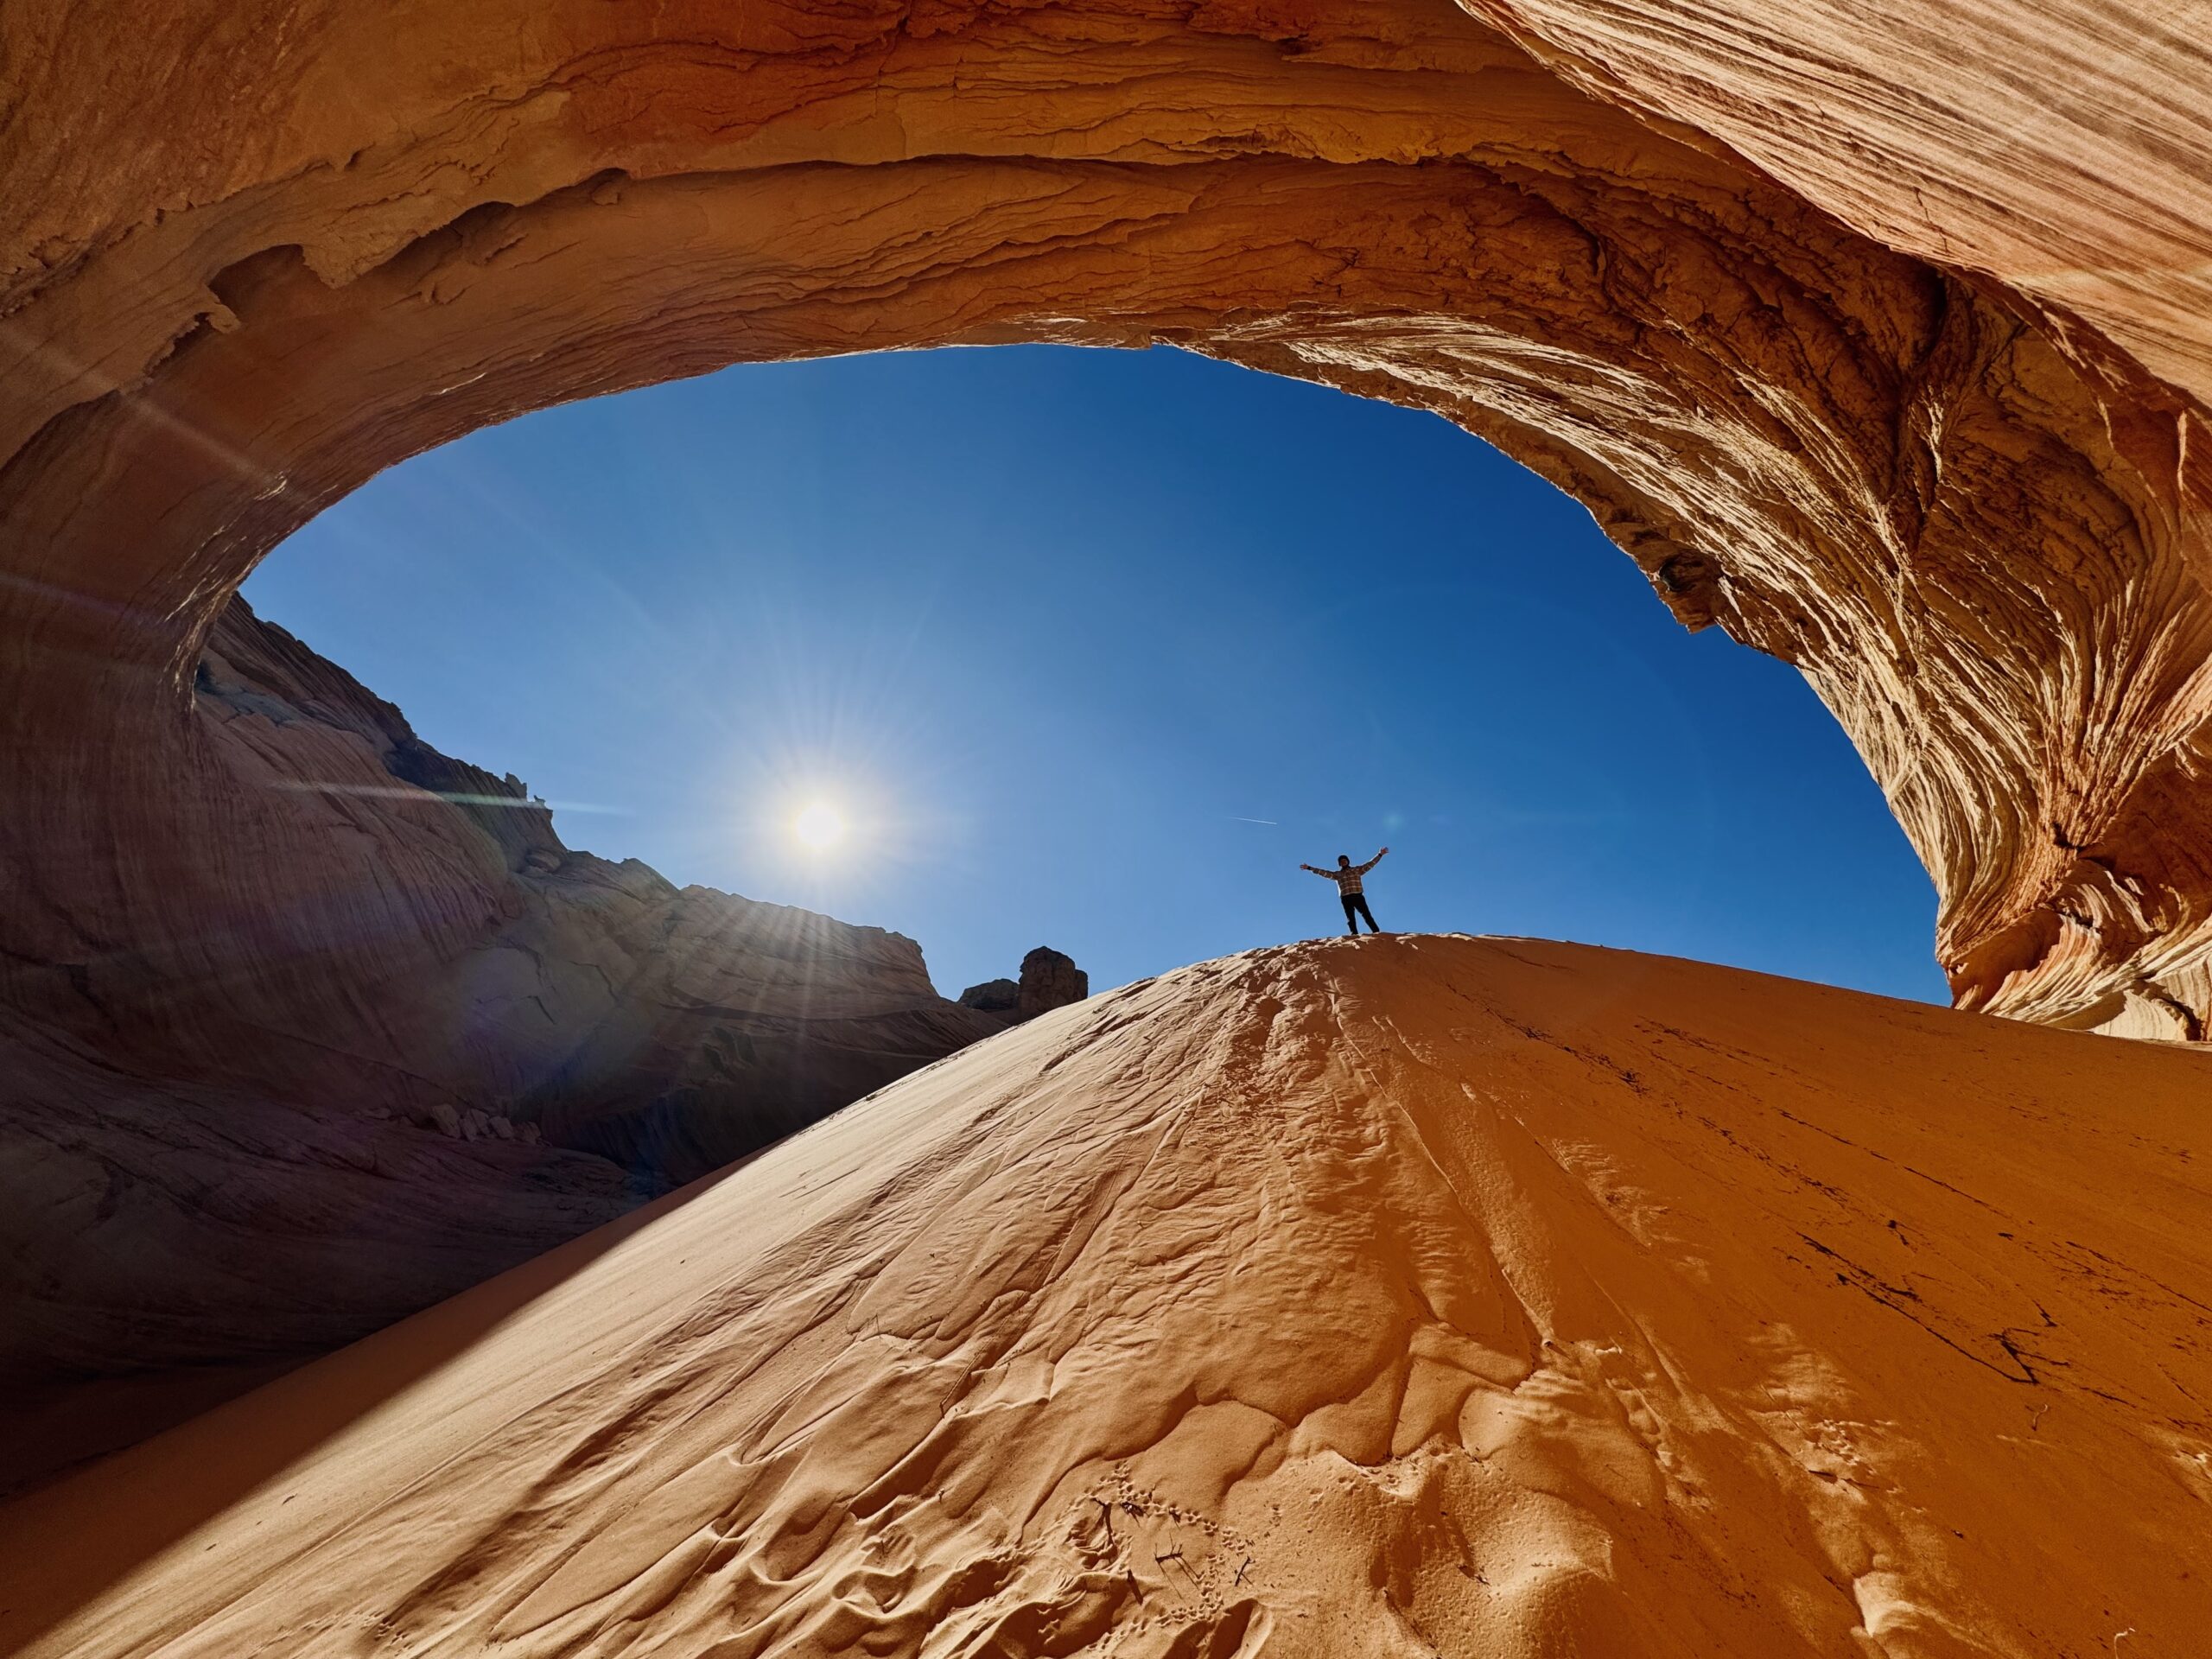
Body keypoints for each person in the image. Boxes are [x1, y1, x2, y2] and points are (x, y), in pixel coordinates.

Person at [1301, 847, 1389, 935]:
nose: (1343, 862)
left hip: (1358, 895)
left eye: (1345, 860)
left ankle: (1376, 932)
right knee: (1350, 918)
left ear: (1348, 861)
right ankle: (1354, 935)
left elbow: (1370, 864)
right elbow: (1323, 873)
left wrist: (1380, 854)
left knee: (1367, 915)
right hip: (1346, 898)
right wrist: (1309, 868)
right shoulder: (1337, 874)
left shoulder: (1357, 870)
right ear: (1339, 864)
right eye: (1341, 861)